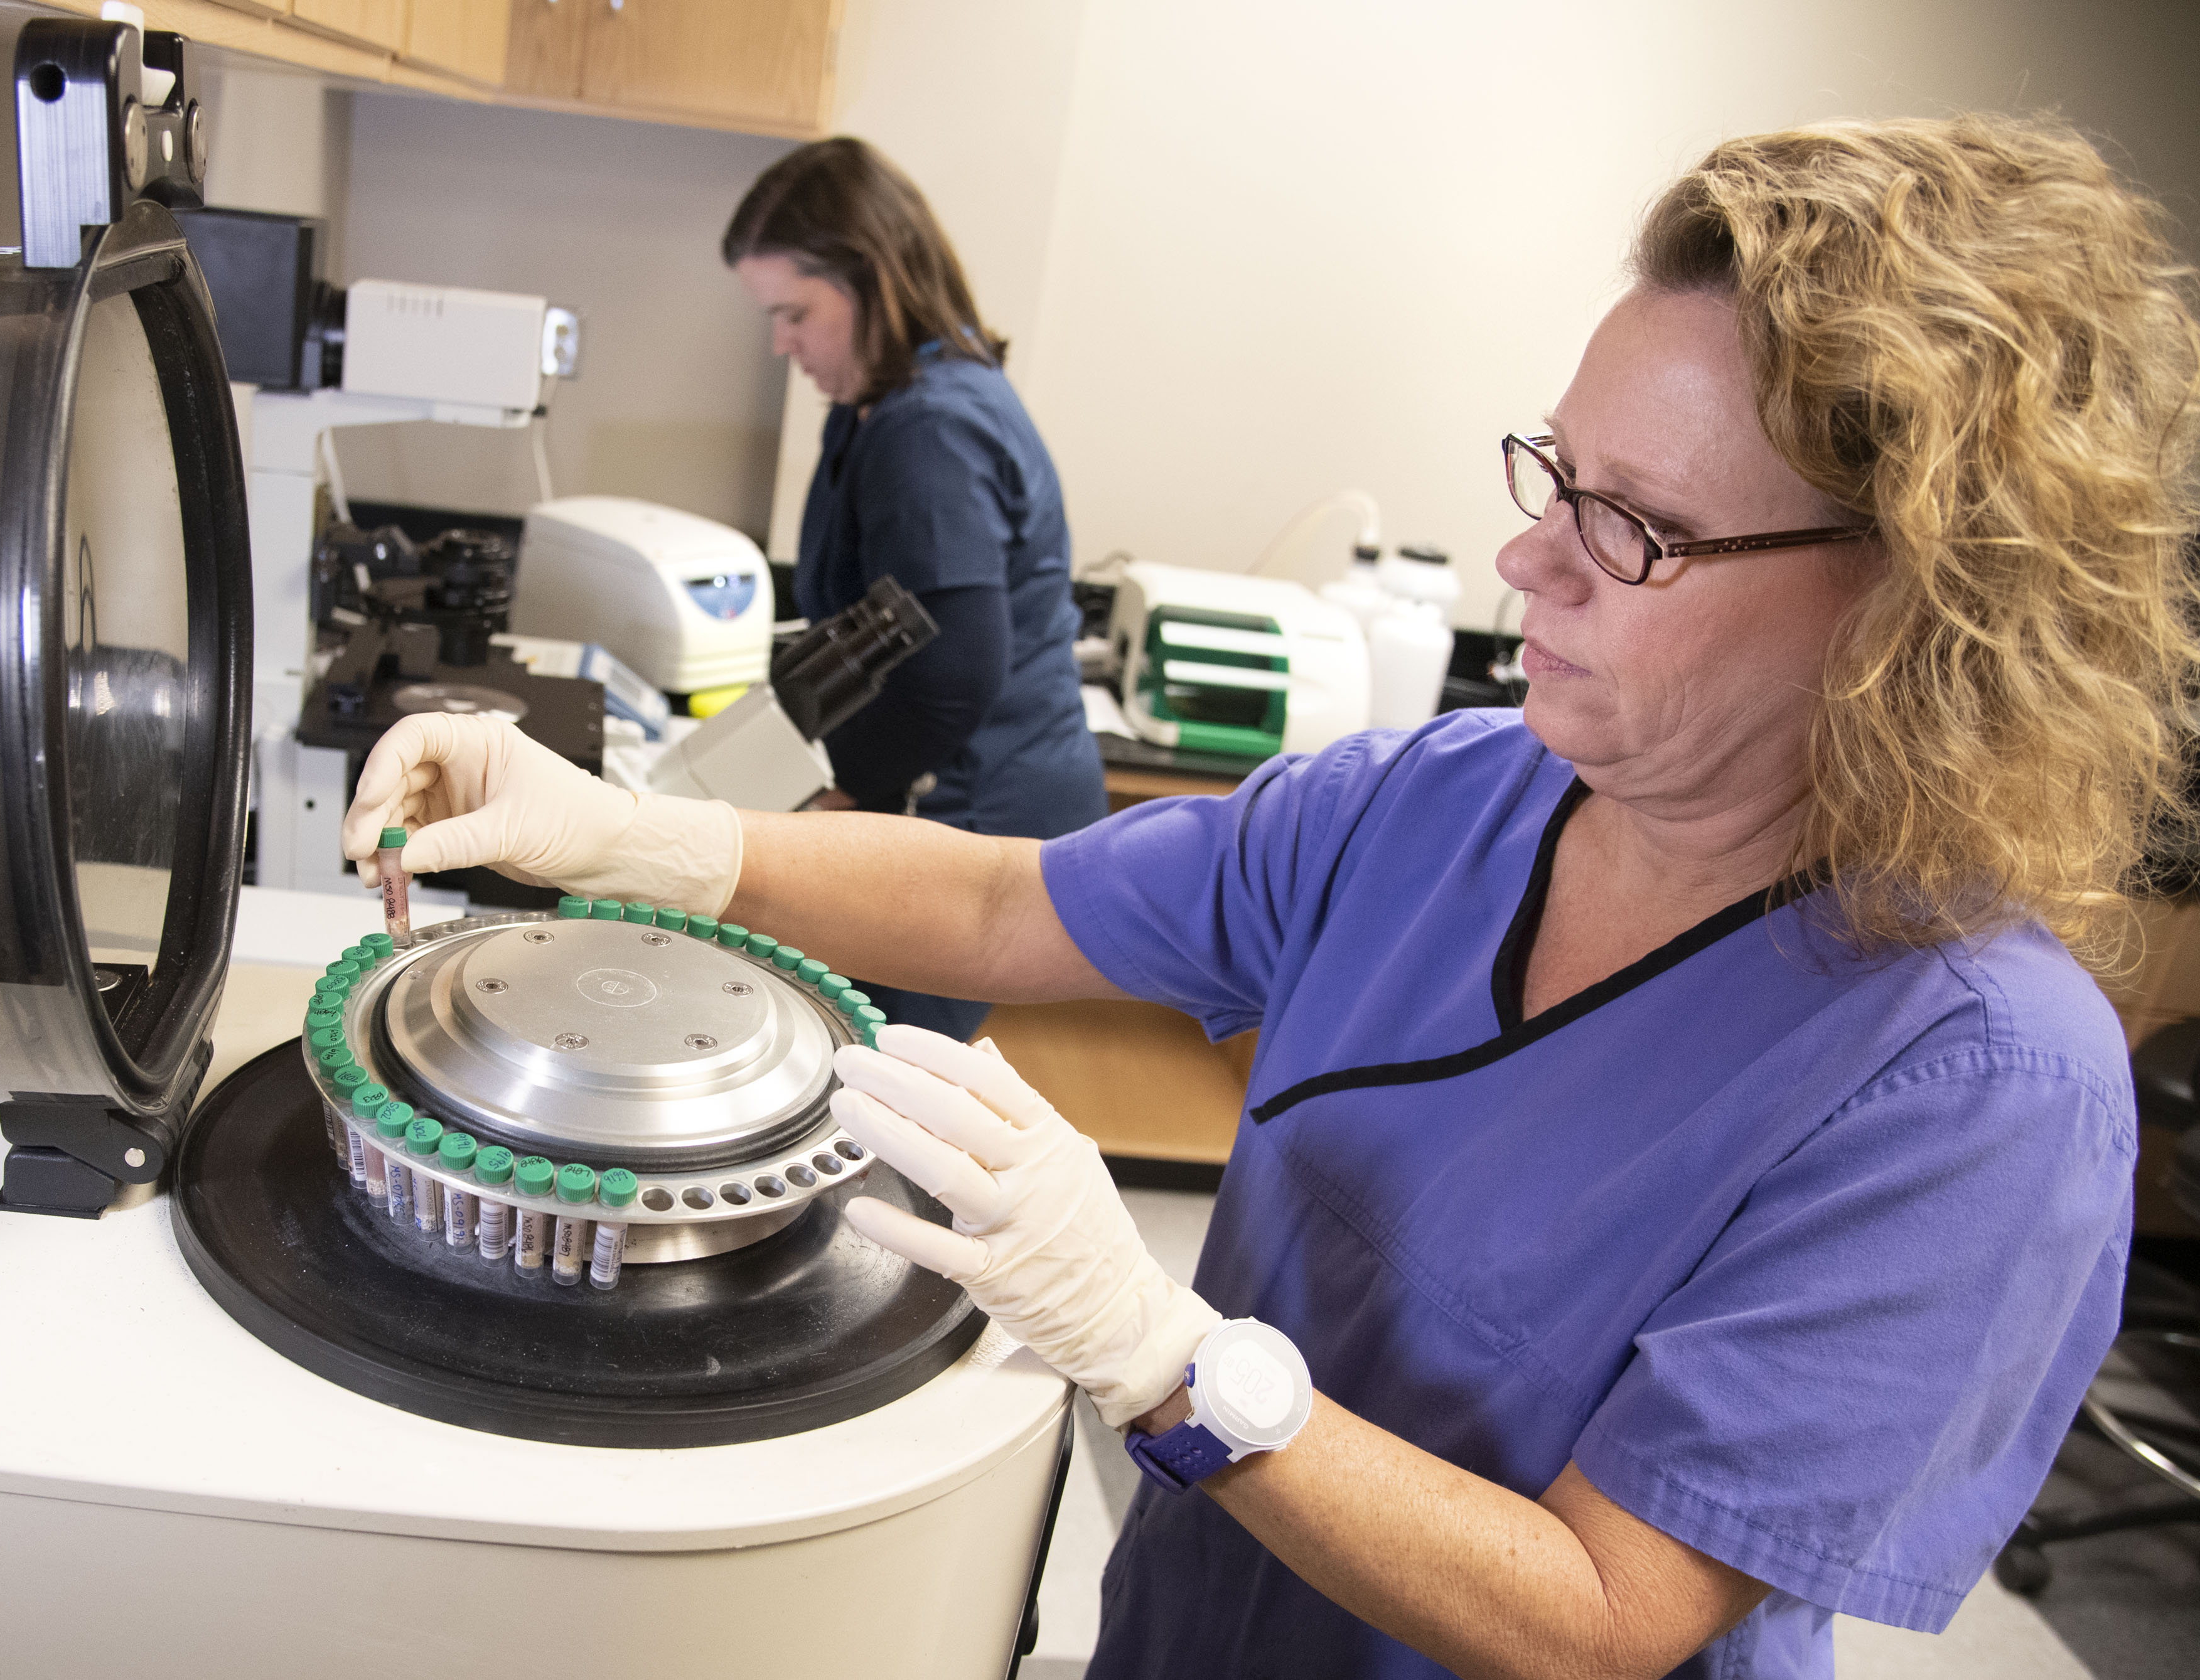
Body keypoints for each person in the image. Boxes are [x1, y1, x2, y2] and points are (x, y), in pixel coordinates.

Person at [345, 114, 2199, 1679]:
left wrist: (1170, 1358)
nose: (1527, 556)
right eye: (1555, 468)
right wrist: (628, 835)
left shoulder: (1973, 1077)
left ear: (1918, 600)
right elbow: (1008, 905)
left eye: (1636, 526)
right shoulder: (1453, 802)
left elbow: (1612, 1612)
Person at [720, 137, 1106, 1040]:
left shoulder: (928, 430)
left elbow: (955, 673)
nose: (781, 343)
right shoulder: (890, 404)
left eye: (795, 313)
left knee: (869, 1072)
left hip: (974, 809)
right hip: (961, 790)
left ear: (870, 281)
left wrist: (841, 798)